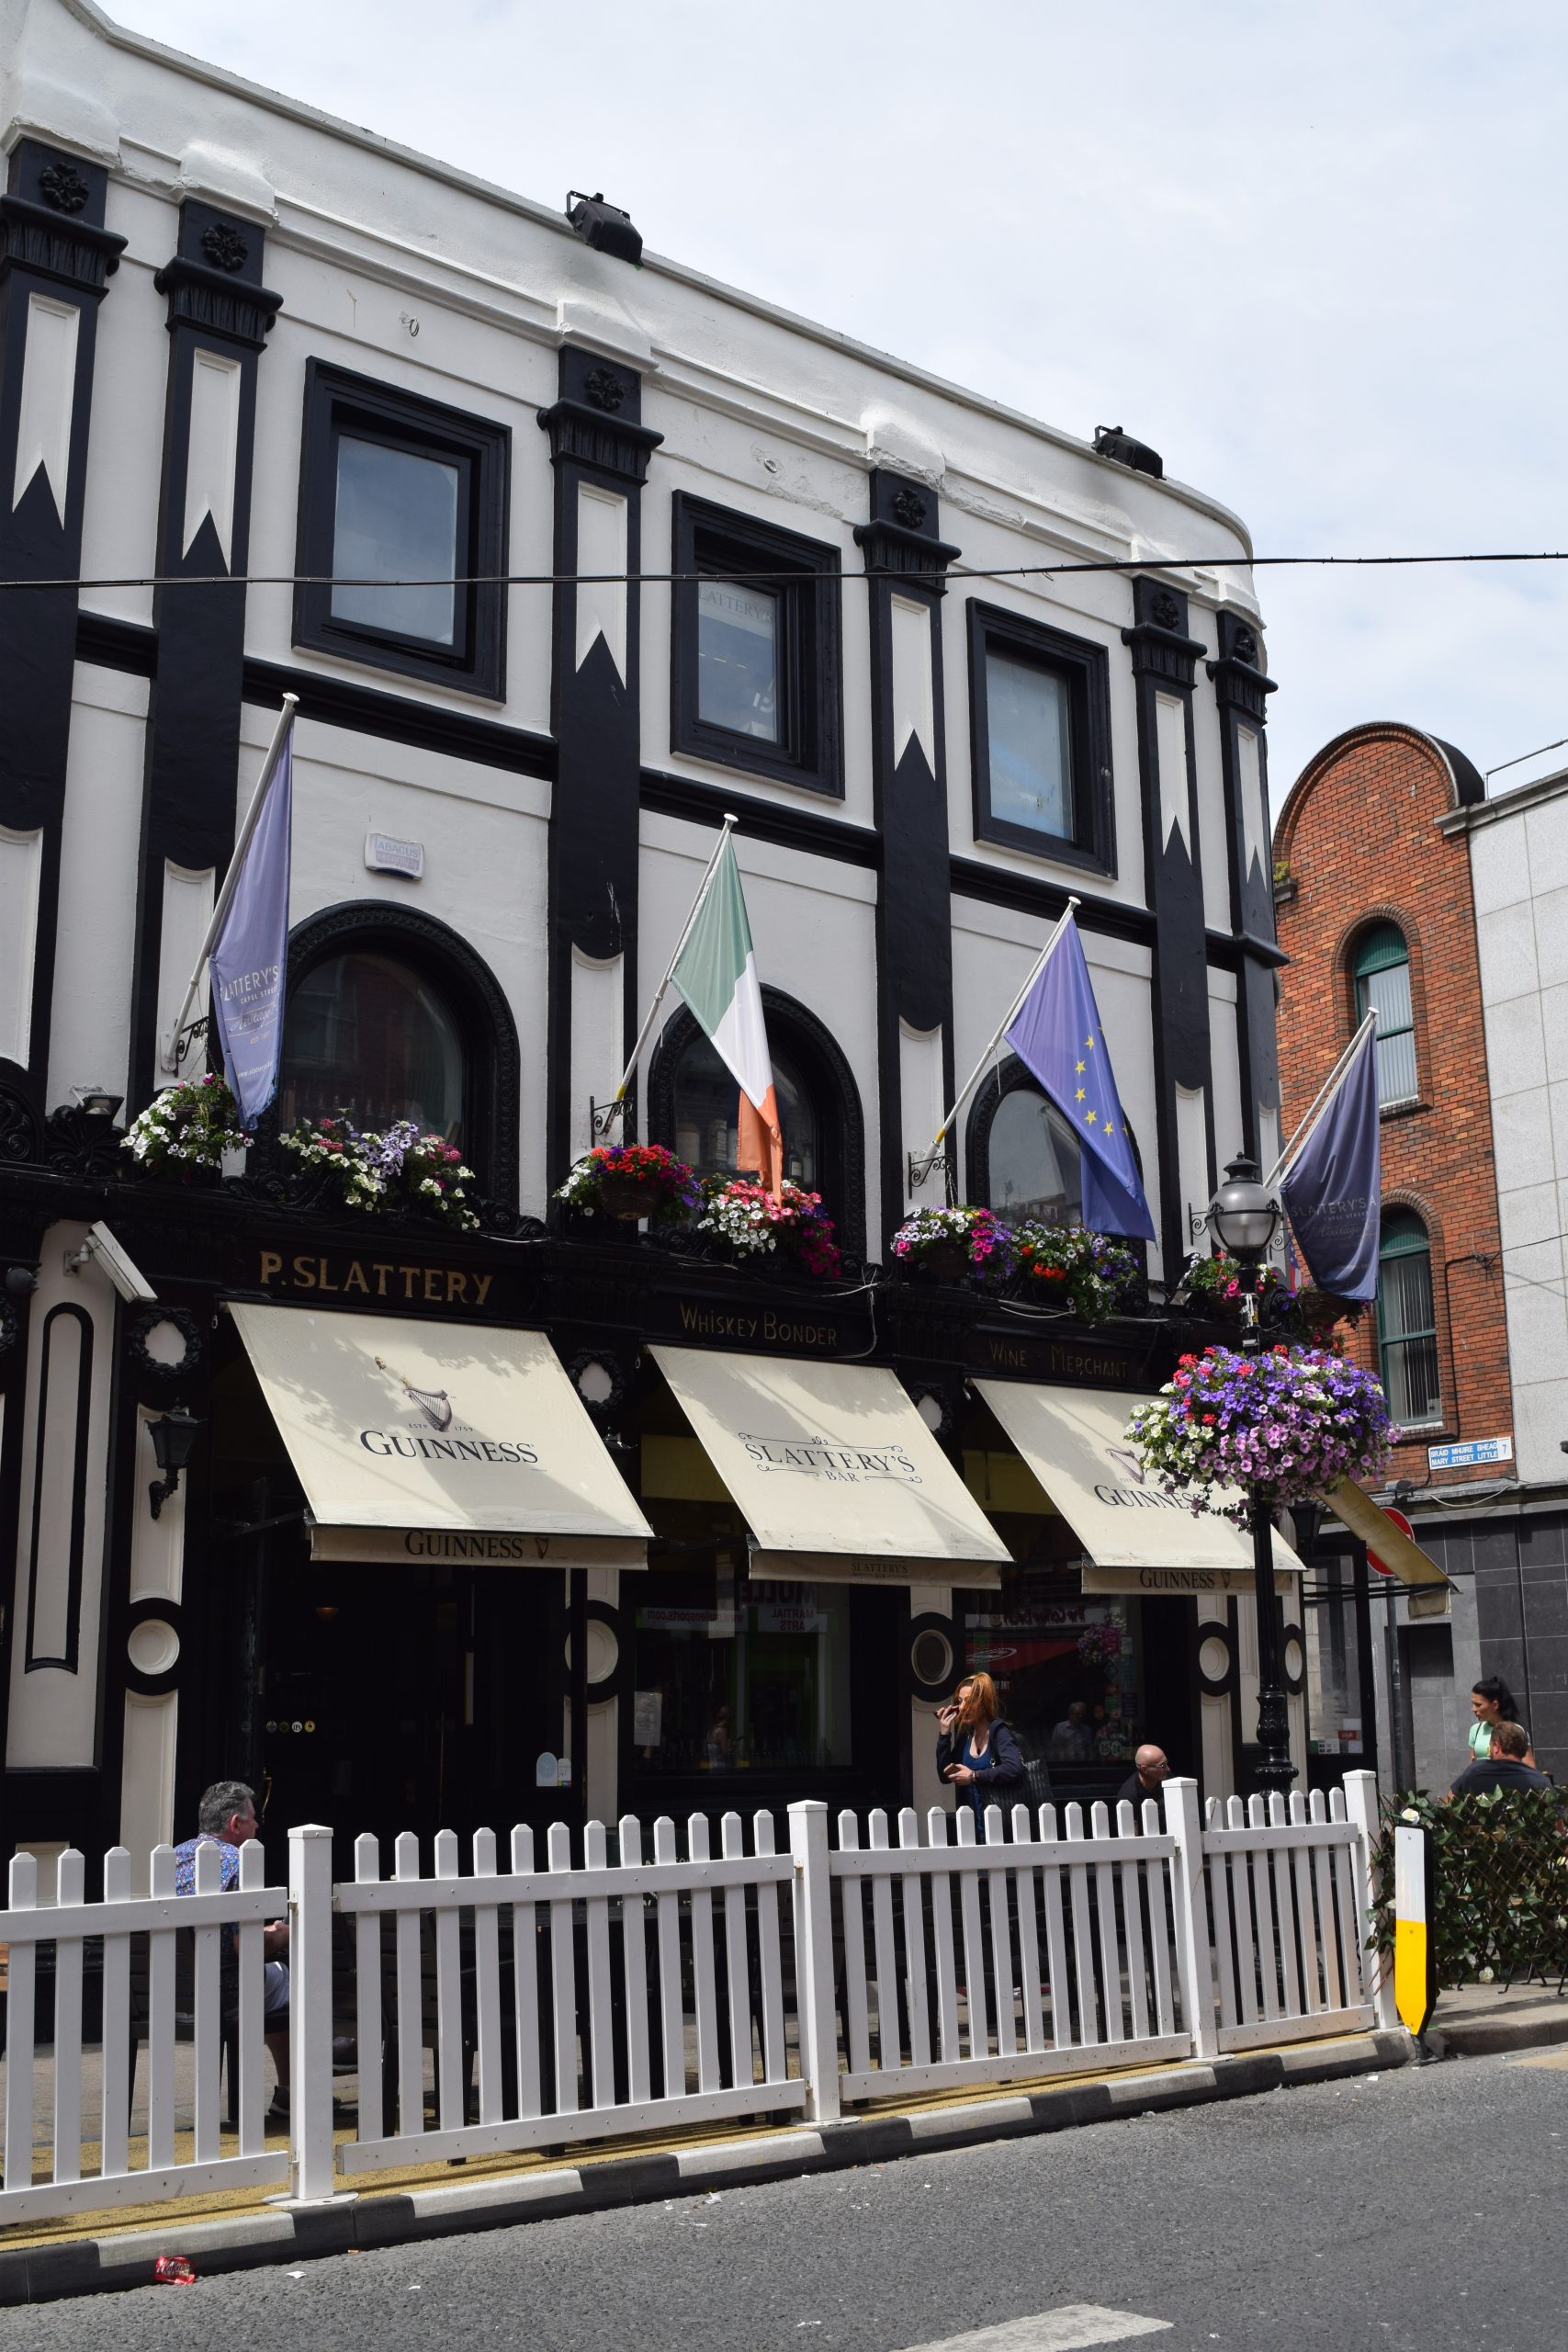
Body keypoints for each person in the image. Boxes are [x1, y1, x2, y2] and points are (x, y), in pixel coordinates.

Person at [174, 1779, 291, 2120]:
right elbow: (246, 1948)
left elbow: (217, 1931)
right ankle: (296, 2086)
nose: (258, 1826)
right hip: (225, 1990)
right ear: (235, 1823)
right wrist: (281, 1936)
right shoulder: (238, 1863)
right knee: (291, 1978)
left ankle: (290, 2090)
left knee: (274, 1983)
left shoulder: (175, 1856)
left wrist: (260, 1931)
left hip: (175, 1989)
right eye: (254, 1818)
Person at [935, 1672, 1025, 1831]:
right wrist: (944, 1734)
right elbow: (944, 1776)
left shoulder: (999, 1732)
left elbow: (1014, 1768)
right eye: (960, 1701)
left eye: (969, 1700)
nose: (962, 1707)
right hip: (970, 1830)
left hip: (999, 1829)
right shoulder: (966, 1739)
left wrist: (974, 1776)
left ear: (984, 1703)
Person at [1447, 1721, 1554, 1800]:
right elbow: (1557, 1821)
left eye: (1490, 1746)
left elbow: (1447, 1805)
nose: (1488, 1753)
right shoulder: (1541, 1781)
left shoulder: (1473, 1772)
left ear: (1496, 1747)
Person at [1466, 1677, 1534, 1770]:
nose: (1473, 1709)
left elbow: (1529, 1767)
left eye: (1478, 1705)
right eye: (1473, 1704)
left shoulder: (1516, 1730)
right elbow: (1472, 1766)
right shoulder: (1475, 1730)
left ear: (1495, 1705)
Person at [1116, 1745, 1170, 1813]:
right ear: (1144, 1769)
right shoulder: (1128, 1798)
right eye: (1162, 1765)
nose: (1168, 1769)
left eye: (1166, 1763)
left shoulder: (1168, 1779)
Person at [1046, 1700, 1096, 1765]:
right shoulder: (1060, 1727)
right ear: (1071, 1714)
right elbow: (1054, 1747)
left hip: (1082, 1765)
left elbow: (1089, 1751)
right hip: (1063, 1765)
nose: (1081, 1716)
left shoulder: (1087, 1730)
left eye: (1083, 1714)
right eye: (1078, 1714)